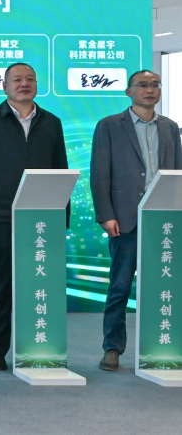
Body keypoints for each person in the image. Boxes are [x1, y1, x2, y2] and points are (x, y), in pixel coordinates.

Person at [0, 62, 69, 371]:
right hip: (0, 216)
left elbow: (61, 168)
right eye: (17, 80)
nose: (25, 84)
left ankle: (38, 346)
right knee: (1, 285)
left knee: (40, 283)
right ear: (5, 86)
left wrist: (62, 215)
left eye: (30, 79)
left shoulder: (51, 122)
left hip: (42, 217)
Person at [91, 70, 182, 371]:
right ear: (128, 92)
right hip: (125, 219)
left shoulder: (170, 127)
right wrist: (106, 214)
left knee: (163, 284)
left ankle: (160, 346)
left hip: (163, 219)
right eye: (142, 85)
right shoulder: (109, 126)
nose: (150, 90)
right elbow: (100, 173)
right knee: (120, 286)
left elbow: (177, 173)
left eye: (155, 85)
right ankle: (112, 348)